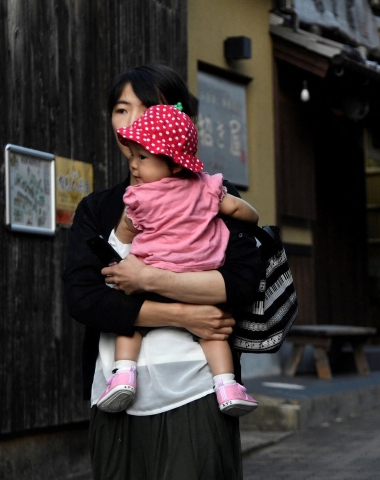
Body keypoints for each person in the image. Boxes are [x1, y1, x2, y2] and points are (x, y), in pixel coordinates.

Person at [63, 64, 260, 480]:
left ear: (179, 120)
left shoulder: (214, 194)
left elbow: (241, 284)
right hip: (116, 397)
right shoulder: (99, 208)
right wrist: (184, 314)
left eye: (147, 107)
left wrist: (149, 280)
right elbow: (85, 297)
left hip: (199, 391)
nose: (132, 121)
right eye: (120, 109)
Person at [94, 102, 260, 418]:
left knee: (130, 326)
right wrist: (254, 218)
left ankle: (123, 374)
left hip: (151, 272)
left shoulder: (138, 198)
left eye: (143, 158)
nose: (134, 165)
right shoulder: (207, 188)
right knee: (212, 333)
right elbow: (239, 210)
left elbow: (123, 237)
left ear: (174, 165)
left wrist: (119, 260)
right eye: (133, 156)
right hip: (199, 276)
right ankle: (227, 385)